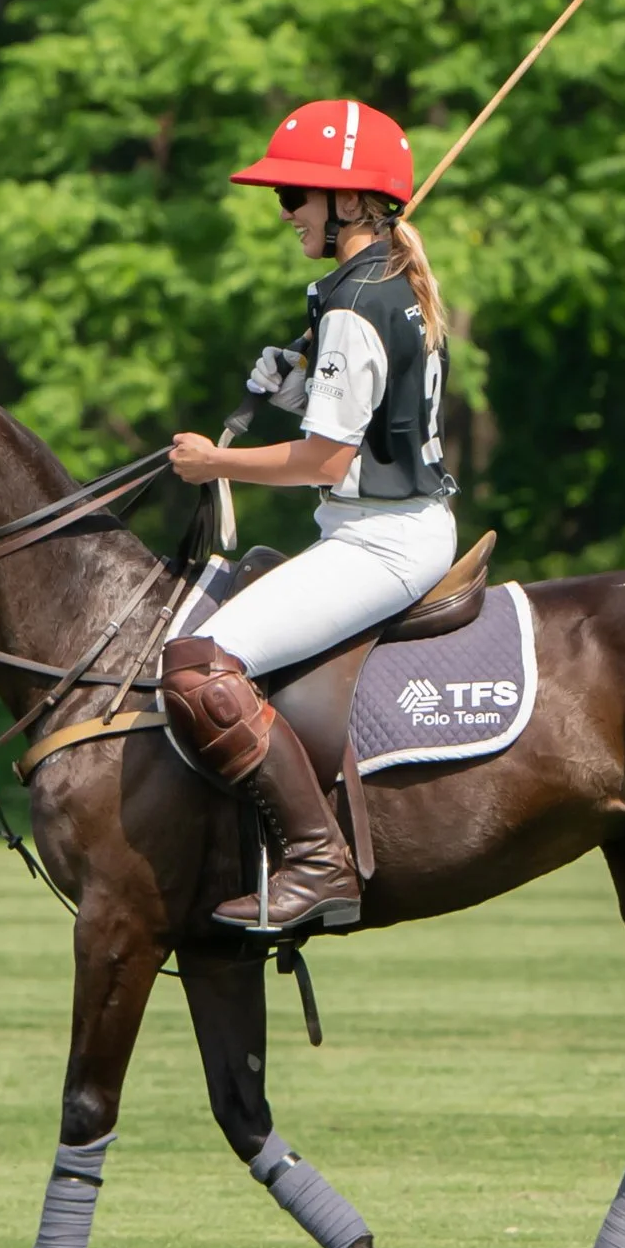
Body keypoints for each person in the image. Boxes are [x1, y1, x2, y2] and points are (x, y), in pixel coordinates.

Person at [162, 99, 457, 934]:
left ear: (350, 201)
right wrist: (300, 390)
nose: (285, 211)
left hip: (383, 540)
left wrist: (214, 462)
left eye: (295, 195)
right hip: (389, 525)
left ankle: (319, 859)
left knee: (197, 664)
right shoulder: (383, 283)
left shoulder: (357, 303)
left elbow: (324, 463)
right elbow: (368, 424)